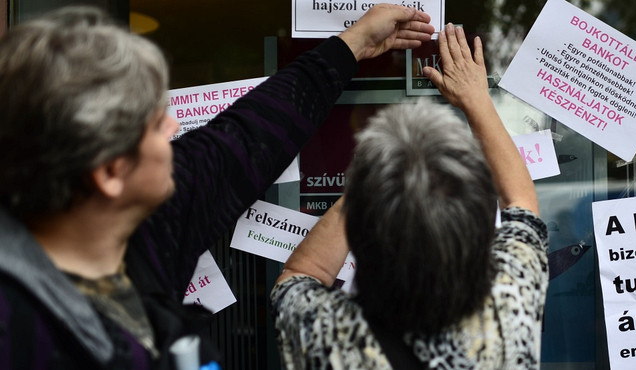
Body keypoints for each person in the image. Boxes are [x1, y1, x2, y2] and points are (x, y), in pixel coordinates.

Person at [0, 4, 433, 369]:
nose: (174, 126)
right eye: (154, 124)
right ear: (110, 173)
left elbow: (245, 139)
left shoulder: (148, 222)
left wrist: (353, 43)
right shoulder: (20, 331)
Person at [271, 23, 549, 369]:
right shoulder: (507, 305)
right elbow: (522, 202)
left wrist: (371, 184)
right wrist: (477, 100)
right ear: (480, 229)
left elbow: (301, 274)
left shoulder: (330, 336)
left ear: (360, 235)